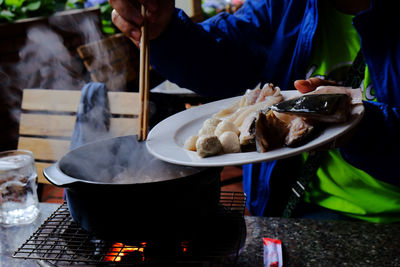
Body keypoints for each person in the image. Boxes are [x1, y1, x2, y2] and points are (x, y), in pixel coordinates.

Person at [109, 0, 400, 223]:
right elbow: (221, 63)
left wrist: (363, 126)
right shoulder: (284, 4)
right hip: (293, 205)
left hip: (388, 219)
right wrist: (166, 32)